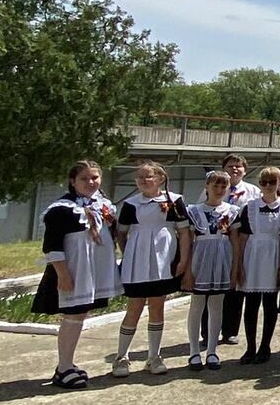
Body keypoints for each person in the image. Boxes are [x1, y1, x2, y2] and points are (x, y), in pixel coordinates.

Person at [32, 161, 122, 389]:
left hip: (92, 270)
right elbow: (52, 246)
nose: (91, 182)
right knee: (73, 316)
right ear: (73, 181)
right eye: (84, 178)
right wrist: (63, 275)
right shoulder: (61, 209)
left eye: (95, 178)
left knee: (80, 315)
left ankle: (67, 364)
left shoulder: (103, 205)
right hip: (74, 270)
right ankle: (63, 368)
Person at [113, 161, 189, 378]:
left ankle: (154, 356)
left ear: (160, 179)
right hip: (137, 263)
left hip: (163, 261)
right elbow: (121, 232)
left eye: (148, 176)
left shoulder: (174, 201)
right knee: (134, 308)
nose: (143, 181)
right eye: (139, 177)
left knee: (157, 306)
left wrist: (183, 260)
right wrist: (130, 255)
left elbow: (184, 233)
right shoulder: (130, 204)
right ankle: (122, 357)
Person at [233, 166, 280, 365]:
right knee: (250, 304)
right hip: (253, 256)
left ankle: (265, 345)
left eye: (272, 182)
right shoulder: (249, 207)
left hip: (275, 254)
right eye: (264, 182)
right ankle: (250, 347)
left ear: (279, 184)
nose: (268, 186)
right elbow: (242, 237)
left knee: (269, 304)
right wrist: (239, 264)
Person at [183, 170, 239, 370]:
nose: (219, 189)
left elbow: (235, 241)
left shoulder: (232, 211)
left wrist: (234, 270)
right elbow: (188, 242)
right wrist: (187, 270)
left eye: (223, 186)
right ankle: (194, 352)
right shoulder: (193, 210)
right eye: (215, 185)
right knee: (197, 305)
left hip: (222, 258)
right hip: (200, 258)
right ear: (206, 187)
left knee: (217, 305)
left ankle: (213, 351)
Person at [216, 153, 260, 347]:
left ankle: (230, 331)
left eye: (238, 166)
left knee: (236, 288)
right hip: (217, 242)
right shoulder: (214, 186)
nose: (234, 169)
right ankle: (208, 331)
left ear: (245, 170)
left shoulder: (253, 191)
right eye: (230, 166)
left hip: (242, 243)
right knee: (213, 287)